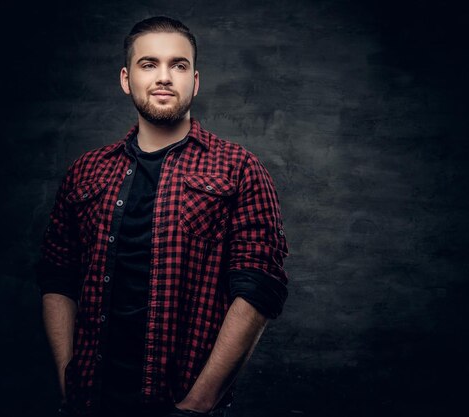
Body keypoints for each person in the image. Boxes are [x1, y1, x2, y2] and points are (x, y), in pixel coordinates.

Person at [35, 16, 290, 417]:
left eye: (179, 65)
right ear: (125, 78)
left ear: (195, 81)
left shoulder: (238, 168)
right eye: (149, 64)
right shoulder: (86, 171)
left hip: (180, 404)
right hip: (90, 402)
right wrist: (69, 382)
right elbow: (57, 277)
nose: (164, 77)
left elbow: (259, 287)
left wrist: (198, 403)